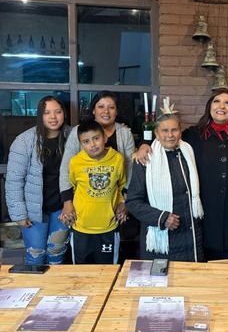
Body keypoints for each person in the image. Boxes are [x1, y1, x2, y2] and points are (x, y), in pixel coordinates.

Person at [136, 89, 228, 260]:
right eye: (217, 101)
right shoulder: (193, 135)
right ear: (209, 106)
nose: (222, 106)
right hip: (205, 220)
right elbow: (168, 138)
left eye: (227, 103)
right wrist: (144, 144)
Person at [126, 108, 204, 262]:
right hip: (161, 240)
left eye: (174, 130)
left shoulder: (189, 154)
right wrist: (162, 218)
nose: (170, 135)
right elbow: (133, 202)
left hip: (192, 236)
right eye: (165, 130)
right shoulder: (145, 160)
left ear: (180, 132)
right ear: (156, 134)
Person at [6, 96, 71, 265]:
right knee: (35, 256)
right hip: (34, 210)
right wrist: (19, 214)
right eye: (47, 112)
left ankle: (54, 283)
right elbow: (14, 181)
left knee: (57, 254)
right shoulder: (24, 141)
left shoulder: (73, 137)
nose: (53, 117)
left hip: (63, 207)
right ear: (40, 115)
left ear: (64, 114)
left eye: (57, 112)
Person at [59, 91, 135, 234]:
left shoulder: (124, 133)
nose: (106, 111)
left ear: (116, 111)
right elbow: (66, 170)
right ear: (93, 110)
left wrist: (125, 201)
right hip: (86, 208)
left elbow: (129, 169)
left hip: (113, 204)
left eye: (111, 107)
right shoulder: (78, 132)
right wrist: (67, 202)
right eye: (101, 106)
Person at [60, 120, 127, 264]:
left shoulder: (117, 159)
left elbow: (121, 185)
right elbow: (72, 187)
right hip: (81, 227)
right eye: (86, 141)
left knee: (109, 271)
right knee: (82, 271)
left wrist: (122, 203)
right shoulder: (76, 162)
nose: (92, 144)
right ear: (81, 145)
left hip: (108, 227)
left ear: (105, 138)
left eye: (96, 138)